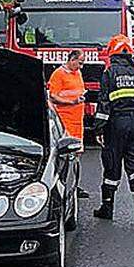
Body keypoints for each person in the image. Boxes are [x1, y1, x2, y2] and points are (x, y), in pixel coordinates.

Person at [92, 34, 134, 225]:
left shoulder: (109, 73)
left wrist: (98, 129)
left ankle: (107, 208)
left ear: (113, 52)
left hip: (116, 124)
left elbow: (104, 104)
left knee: (112, 164)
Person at [48, 50, 90, 198]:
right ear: (72, 60)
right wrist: (72, 102)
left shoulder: (77, 73)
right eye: (80, 62)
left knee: (76, 154)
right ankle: (61, 185)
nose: (81, 66)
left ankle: (74, 185)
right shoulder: (59, 74)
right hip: (64, 121)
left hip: (77, 120)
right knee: (65, 155)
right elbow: (53, 96)